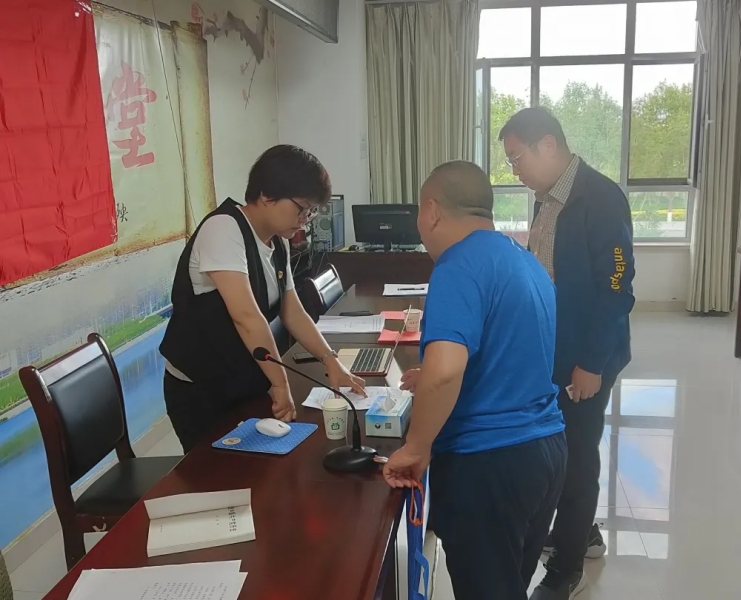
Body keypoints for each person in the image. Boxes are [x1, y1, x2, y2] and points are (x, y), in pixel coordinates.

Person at [382, 160, 568, 600]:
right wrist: (432, 372)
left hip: (490, 463)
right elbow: (513, 351)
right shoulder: (523, 260)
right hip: (546, 451)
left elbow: (447, 371)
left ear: (431, 210)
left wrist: (417, 447)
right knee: (507, 586)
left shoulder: (457, 265)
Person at [499, 107, 635, 600]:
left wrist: (592, 363)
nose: (515, 170)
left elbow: (616, 289)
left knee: (576, 457)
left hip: (586, 355)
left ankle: (567, 569)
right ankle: (583, 534)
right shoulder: (548, 199)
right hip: (556, 350)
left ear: (548, 146)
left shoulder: (600, 199)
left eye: (517, 158)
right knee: (560, 448)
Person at [159, 145, 365, 453]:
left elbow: (292, 311)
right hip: (202, 388)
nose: (305, 220)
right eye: (302, 209)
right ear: (267, 195)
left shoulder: (278, 241)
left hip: (243, 378)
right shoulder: (223, 229)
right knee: (219, 473)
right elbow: (246, 316)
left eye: (310, 212)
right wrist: (279, 383)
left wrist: (331, 360)